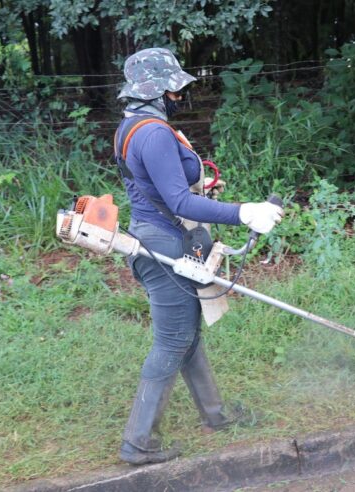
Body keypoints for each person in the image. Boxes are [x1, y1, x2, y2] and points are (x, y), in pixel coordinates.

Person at [114, 48, 284, 466]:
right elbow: (178, 201)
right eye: (174, 88)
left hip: (160, 235)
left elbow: (157, 187)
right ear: (159, 90)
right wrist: (245, 212)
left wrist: (201, 184)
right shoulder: (153, 132)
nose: (180, 94)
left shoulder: (131, 126)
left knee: (187, 334)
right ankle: (138, 441)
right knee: (173, 339)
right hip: (165, 245)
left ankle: (216, 415)